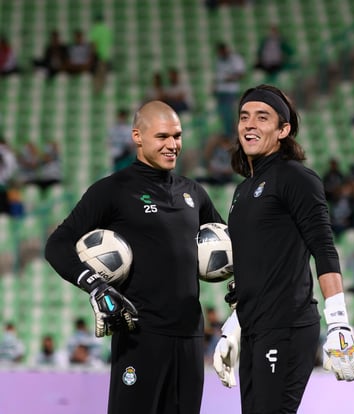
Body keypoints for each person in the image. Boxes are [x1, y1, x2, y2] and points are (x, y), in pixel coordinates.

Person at [44, 100, 226, 414]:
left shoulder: (194, 193)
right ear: (137, 137)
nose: (173, 145)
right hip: (140, 337)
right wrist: (97, 287)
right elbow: (57, 245)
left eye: (178, 136)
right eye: (162, 137)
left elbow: (227, 247)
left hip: (190, 338)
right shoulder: (112, 191)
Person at [212, 84, 354, 413]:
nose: (249, 124)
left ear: (284, 130)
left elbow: (323, 247)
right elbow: (255, 265)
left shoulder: (297, 178)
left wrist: (338, 321)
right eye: (244, 117)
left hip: (286, 326)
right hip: (256, 327)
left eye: (262, 117)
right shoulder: (242, 191)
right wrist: (235, 325)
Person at [213, 42, 246, 137]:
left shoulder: (235, 59)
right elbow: (218, 76)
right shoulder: (219, 61)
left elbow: (241, 74)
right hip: (221, 91)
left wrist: (229, 78)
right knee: (223, 114)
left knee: (230, 113)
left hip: (231, 91)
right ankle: (227, 134)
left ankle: (232, 134)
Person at [88, 13, 113, 92]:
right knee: (103, 76)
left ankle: (97, 92)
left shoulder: (96, 29)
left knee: (97, 76)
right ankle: (101, 92)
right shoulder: (107, 30)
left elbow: (94, 44)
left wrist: (92, 55)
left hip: (98, 56)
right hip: (106, 57)